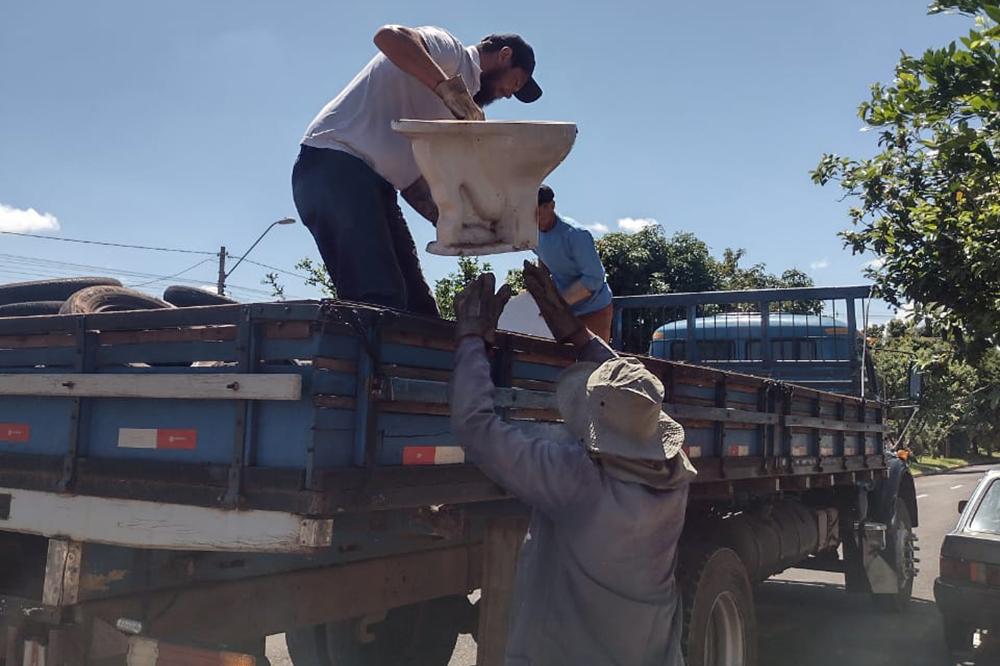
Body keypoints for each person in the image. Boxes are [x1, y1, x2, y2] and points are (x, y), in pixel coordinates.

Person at [449, 261, 696, 666]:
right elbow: (634, 400)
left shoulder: (578, 480)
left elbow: (476, 426)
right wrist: (579, 335)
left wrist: (471, 339)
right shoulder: (675, 474)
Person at [292, 26, 543, 315]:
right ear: (504, 55)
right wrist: (448, 90)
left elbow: (413, 184)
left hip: (374, 184)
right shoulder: (453, 53)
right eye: (516, 81)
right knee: (379, 298)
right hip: (333, 164)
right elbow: (388, 37)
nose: (510, 95)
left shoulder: (451, 119)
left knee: (419, 308)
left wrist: (465, 222)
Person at [534, 184, 614, 341]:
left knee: (595, 362)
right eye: (533, 207)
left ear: (552, 206)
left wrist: (557, 304)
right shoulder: (532, 234)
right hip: (564, 311)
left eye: (543, 207)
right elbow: (543, 260)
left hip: (594, 309)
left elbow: (594, 279)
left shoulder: (576, 235)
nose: (538, 213)